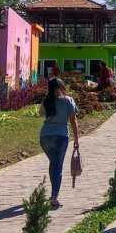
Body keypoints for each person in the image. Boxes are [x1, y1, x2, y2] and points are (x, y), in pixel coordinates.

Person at [39, 78, 79, 209]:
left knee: (53, 164)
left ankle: (53, 192)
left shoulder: (46, 100)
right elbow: (73, 120)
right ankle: (54, 197)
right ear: (61, 86)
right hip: (61, 136)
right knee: (57, 167)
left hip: (45, 136)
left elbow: (42, 114)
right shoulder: (68, 100)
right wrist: (77, 138)